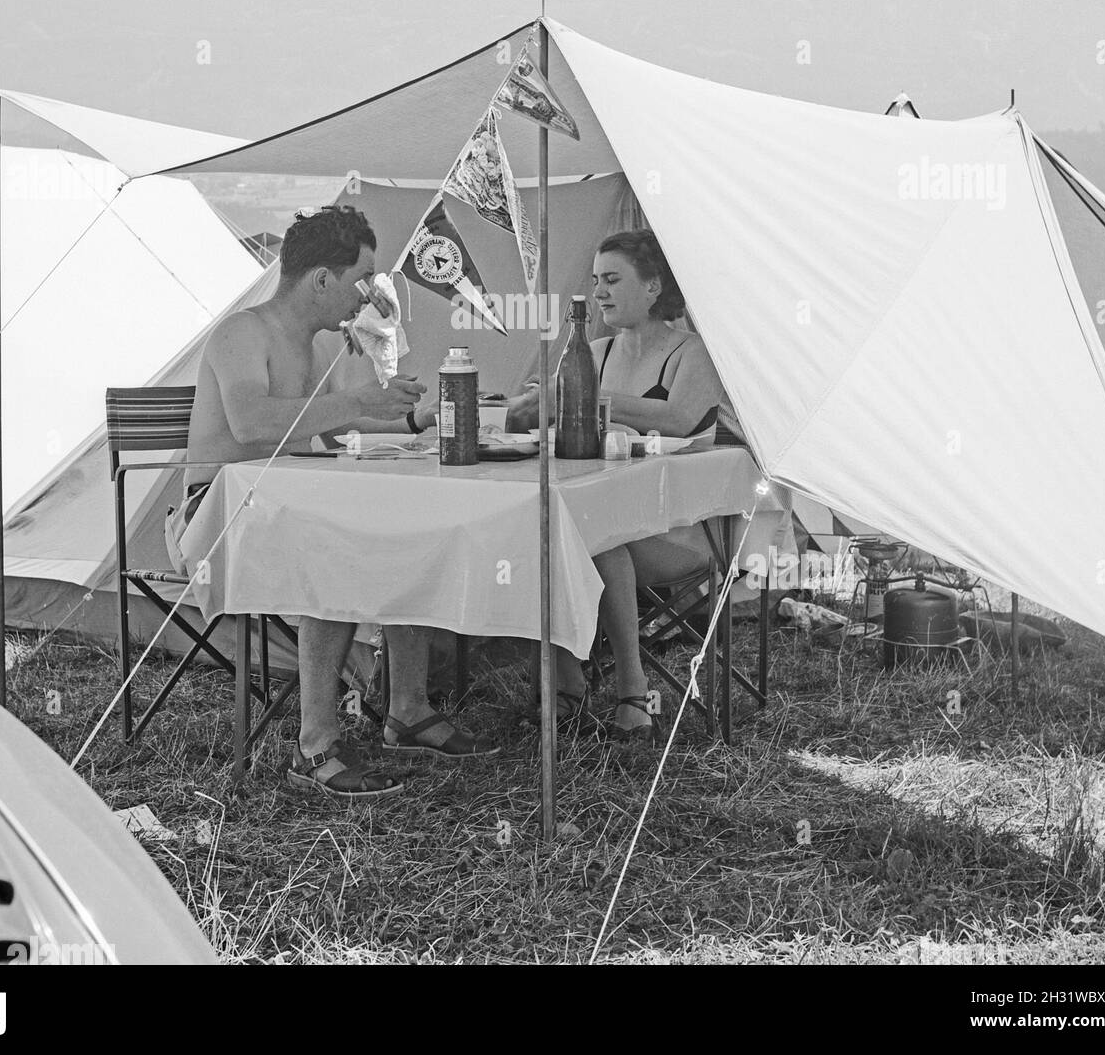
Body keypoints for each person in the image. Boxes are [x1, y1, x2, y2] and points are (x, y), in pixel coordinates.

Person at [182, 204, 499, 797]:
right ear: (322, 279)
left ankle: (407, 708)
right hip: (219, 514)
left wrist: (409, 420)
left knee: (403, 530)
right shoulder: (241, 333)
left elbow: (323, 430)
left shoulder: (323, 346)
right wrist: (358, 404)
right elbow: (252, 424)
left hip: (284, 504)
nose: (369, 296)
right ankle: (315, 746)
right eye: (362, 279)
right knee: (337, 549)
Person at [509, 229, 729, 741]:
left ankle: (626, 687)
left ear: (653, 287)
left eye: (611, 279)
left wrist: (584, 394)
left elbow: (678, 419)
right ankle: (575, 682)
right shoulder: (594, 351)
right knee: (556, 531)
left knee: (594, 541)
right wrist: (530, 410)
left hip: (682, 533)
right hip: (608, 521)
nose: (598, 292)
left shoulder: (694, 353)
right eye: (595, 281)